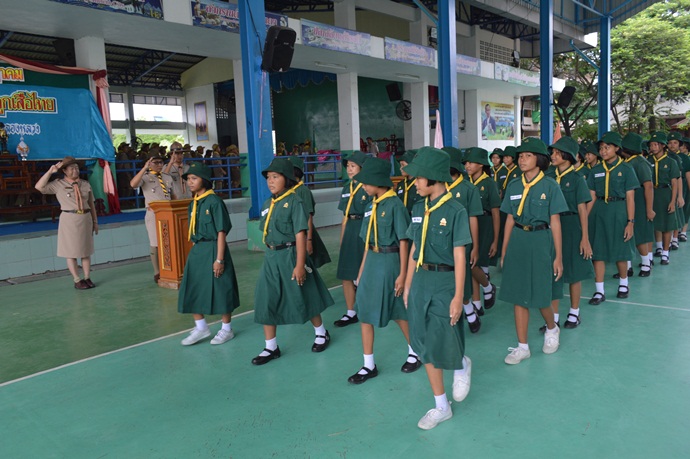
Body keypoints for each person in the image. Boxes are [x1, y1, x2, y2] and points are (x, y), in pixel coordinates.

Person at [403, 146, 473, 430]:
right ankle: (441, 406)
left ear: (432, 176)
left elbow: (460, 255)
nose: (415, 183)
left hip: (446, 281)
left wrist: (458, 296)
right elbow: (413, 249)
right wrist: (408, 284)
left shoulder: (456, 210)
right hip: (421, 279)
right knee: (423, 343)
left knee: (444, 334)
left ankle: (461, 363)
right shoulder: (417, 208)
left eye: (419, 178)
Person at [252, 158, 334, 365]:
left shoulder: (295, 201)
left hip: (290, 254)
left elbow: (300, 234)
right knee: (266, 298)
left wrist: (299, 264)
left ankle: (321, 332)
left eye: (275, 177)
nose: (270, 181)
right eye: (268, 178)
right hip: (272, 256)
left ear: (287, 179)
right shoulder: (268, 203)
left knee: (304, 293)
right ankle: (271, 347)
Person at [347, 157, 419, 384]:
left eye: (366, 182)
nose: (363, 186)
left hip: (391, 261)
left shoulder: (395, 205)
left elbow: (404, 241)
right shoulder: (371, 206)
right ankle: (368, 364)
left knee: (398, 312)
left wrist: (403, 274)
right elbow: (367, 242)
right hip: (372, 261)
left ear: (378, 181)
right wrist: (361, 270)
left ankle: (414, 351)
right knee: (364, 311)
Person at [499, 138, 568, 364]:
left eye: (527, 156)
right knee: (518, 295)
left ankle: (552, 328)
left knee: (541, 294)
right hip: (519, 238)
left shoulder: (550, 186)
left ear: (539, 160)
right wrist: (504, 249)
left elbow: (555, 222)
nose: (522, 160)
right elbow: (510, 219)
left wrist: (558, 256)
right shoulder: (514, 185)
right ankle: (522, 347)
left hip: (541, 239)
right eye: (520, 156)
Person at [177, 163, 240, 346]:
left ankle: (226, 329)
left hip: (214, 248)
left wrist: (219, 259)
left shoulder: (214, 202)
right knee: (193, 286)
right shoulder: (193, 204)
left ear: (204, 180)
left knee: (221, 287)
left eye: (194, 178)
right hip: (198, 249)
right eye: (188, 179)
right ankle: (201, 327)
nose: (190, 182)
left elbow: (221, 232)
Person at [544, 137, 593, 331]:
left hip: (571, 226)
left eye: (558, 153)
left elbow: (582, 209)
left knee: (573, 271)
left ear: (568, 156)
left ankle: (574, 312)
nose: (553, 156)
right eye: (553, 152)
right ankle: (554, 318)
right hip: (551, 225)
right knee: (553, 272)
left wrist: (585, 238)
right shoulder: (548, 176)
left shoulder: (577, 179)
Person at [587, 132, 639, 304]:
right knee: (598, 252)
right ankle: (599, 290)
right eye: (601, 148)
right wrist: (585, 218)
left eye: (607, 147)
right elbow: (592, 196)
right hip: (599, 211)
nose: (603, 151)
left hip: (619, 210)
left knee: (620, 250)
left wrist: (630, 222)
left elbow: (630, 198)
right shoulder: (596, 170)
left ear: (617, 148)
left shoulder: (626, 169)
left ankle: (623, 284)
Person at [35, 156, 99, 289]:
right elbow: (39, 187)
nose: (75, 170)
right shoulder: (58, 184)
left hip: (85, 218)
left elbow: (91, 204)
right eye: (71, 168)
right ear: (64, 170)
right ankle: (77, 280)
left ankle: (87, 277)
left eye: (77, 168)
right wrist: (50, 171)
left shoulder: (85, 184)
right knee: (71, 252)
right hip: (69, 219)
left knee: (86, 250)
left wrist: (95, 221)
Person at [444, 148, 486, 334]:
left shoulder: (469, 189)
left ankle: (469, 310)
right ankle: (466, 311)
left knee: (463, 277)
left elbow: (473, 219)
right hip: (443, 240)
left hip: (463, 240)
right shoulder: (439, 186)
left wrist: (475, 246)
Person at [462, 147, 499, 329]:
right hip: (468, 224)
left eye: (471, 162)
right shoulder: (465, 183)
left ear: (482, 164)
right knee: (470, 264)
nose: (467, 166)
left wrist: (495, 239)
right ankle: (477, 304)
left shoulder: (489, 183)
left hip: (484, 225)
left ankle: (487, 287)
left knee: (473, 264)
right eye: (466, 163)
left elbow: (495, 212)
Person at [334, 151, 371, 328]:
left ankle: (368, 308)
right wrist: (342, 240)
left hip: (364, 228)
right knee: (346, 274)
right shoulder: (346, 188)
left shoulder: (368, 187)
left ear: (362, 168)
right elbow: (345, 216)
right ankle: (351, 311)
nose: (349, 169)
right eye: (348, 166)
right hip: (350, 228)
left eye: (353, 166)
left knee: (365, 272)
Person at [130, 151, 176, 283]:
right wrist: (144, 168)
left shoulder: (167, 177)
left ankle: (169, 267)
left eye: (161, 162)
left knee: (169, 241)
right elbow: (133, 184)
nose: (159, 165)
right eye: (155, 162)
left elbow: (172, 195)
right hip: (153, 214)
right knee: (155, 242)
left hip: (168, 214)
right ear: (149, 164)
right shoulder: (145, 177)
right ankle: (157, 271)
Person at [619, 132, 655, 277]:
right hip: (628, 202)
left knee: (639, 234)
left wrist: (649, 209)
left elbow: (648, 186)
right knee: (626, 234)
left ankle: (646, 264)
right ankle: (627, 267)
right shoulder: (628, 162)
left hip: (639, 202)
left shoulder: (640, 163)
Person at [287, 156, 331, 269]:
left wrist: (309, 240)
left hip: (304, 234)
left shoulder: (303, 191)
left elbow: (309, 217)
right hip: (291, 235)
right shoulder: (287, 190)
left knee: (306, 266)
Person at [648, 131, 681, 266]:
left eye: (656, 144)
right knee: (653, 222)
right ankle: (657, 248)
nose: (653, 147)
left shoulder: (671, 162)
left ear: (662, 146)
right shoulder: (648, 161)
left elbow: (674, 183)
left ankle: (665, 253)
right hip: (652, 193)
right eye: (651, 145)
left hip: (666, 193)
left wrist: (673, 201)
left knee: (667, 224)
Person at [395, 150, 422, 214]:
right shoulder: (401, 185)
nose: (400, 168)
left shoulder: (420, 184)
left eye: (403, 165)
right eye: (400, 165)